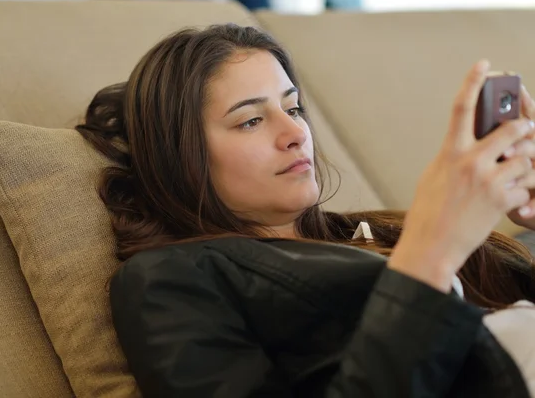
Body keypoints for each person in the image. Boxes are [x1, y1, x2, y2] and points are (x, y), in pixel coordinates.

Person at [75, 24, 535, 397]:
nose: (295, 132)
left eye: (293, 108)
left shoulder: (371, 232)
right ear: (182, 156)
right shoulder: (168, 280)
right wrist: (431, 257)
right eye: (250, 120)